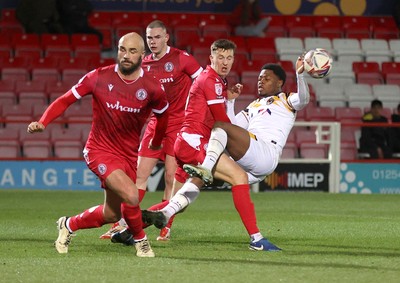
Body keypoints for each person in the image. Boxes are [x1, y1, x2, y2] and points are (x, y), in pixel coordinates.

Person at [142, 58, 310, 252]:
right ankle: (137, 224)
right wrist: (230, 102)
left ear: (280, 83)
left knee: (219, 128)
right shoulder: (254, 105)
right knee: (195, 182)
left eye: (266, 78)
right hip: (249, 163)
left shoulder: (287, 100)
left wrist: (301, 74)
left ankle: (206, 165)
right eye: (259, 78)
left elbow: (304, 99)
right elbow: (233, 125)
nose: (260, 81)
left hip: (265, 153)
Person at [27, 32, 169, 257]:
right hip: (98, 150)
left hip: (127, 155)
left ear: (143, 55)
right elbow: (66, 99)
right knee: (132, 196)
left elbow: (163, 117)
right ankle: (141, 242)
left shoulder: (152, 88)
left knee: (112, 214)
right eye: (122, 49)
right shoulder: (98, 77)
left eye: (132, 51)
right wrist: (43, 121)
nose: (126, 55)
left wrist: (156, 141)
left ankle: (68, 224)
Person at [110, 38, 242, 245]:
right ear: (211, 58)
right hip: (192, 141)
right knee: (235, 176)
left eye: (229, 58)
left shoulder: (217, 81)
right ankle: (257, 237)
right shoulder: (210, 79)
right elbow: (220, 119)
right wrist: (242, 146)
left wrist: (230, 99)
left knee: (179, 196)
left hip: (190, 139)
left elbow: (217, 115)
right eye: (221, 57)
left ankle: (129, 229)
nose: (225, 62)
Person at [99, 20, 203, 241]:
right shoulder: (143, 63)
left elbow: (203, 81)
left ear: (166, 37)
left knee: (170, 178)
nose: (153, 42)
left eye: (157, 37)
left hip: (178, 125)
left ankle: (166, 225)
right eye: (149, 38)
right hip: (155, 124)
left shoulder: (182, 58)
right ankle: (123, 223)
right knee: (138, 176)